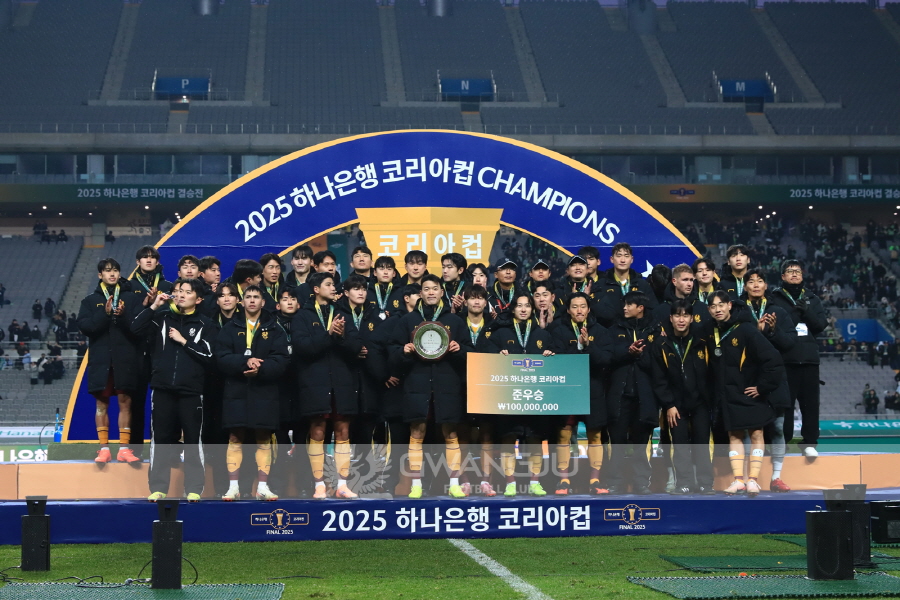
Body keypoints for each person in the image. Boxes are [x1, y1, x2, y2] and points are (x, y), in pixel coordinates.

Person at [131, 278, 215, 502]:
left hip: (191, 391)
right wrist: (154, 306)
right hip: (162, 388)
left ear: (198, 299)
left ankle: (194, 488)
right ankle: (158, 488)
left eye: (187, 292)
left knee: (193, 441)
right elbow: (135, 328)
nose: (181, 294)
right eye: (178, 291)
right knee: (160, 440)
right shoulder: (161, 318)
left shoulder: (206, 324)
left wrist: (184, 341)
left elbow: (209, 356)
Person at [391, 274, 471, 498]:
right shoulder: (408, 320)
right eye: (426, 289)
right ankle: (416, 484)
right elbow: (392, 350)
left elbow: (470, 352)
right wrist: (403, 351)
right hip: (417, 384)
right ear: (420, 294)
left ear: (441, 292)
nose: (431, 292)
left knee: (450, 432)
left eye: (435, 288)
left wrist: (459, 349)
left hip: (447, 384)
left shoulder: (455, 320)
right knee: (417, 431)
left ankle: (454, 483)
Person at [705, 291, 784, 497]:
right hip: (728, 394)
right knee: (734, 435)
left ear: (729, 305)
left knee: (757, 433)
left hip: (751, 393)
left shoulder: (746, 329)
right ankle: (739, 480)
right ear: (709, 310)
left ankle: (753, 481)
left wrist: (762, 387)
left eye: (721, 305)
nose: (718, 309)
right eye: (713, 306)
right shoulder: (710, 331)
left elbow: (773, 359)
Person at [215, 285, 290, 501]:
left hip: (264, 390)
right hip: (236, 390)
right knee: (235, 436)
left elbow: (282, 360)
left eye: (256, 297)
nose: (252, 300)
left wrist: (261, 368)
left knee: (263, 437)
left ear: (263, 302)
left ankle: (263, 487)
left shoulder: (274, 329)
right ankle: (233, 487)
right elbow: (221, 357)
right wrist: (244, 362)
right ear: (242, 301)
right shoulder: (230, 328)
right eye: (248, 296)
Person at [294, 273, 363, 499]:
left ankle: (342, 485)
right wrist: (329, 334)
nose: (334, 288)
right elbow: (303, 347)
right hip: (315, 382)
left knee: (343, 430)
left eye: (334, 284)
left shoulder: (343, 314)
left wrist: (341, 337)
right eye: (329, 284)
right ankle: (319, 485)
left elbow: (356, 347)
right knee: (318, 431)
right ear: (316, 289)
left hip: (342, 382)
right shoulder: (303, 316)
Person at [489, 292, 555, 497]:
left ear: (532, 309)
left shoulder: (543, 335)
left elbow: (557, 361)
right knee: (508, 438)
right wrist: (497, 356)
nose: (524, 309)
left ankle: (535, 482)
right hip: (510, 397)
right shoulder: (501, 334)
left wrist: (551, 355)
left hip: (535, 398)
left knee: (535, 438)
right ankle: (510, 482)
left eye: (527, 305)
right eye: (519, 305)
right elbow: (486, 358)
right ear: (513, 309)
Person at [76, 258, 142, 464]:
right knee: (101, 403)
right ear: (100, 275)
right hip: (101, 360)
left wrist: (123, 316)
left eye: (115, 270)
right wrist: (105, 314)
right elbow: (86, 328)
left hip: (125, 359)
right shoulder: (89, 301)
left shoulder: (130, 298)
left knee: (125, 402)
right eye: (107, 271)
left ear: (119, 273)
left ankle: (124, 449)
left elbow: (138, 328)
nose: (112, 274)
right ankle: (103, 448)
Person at [548, 291, 612, 495]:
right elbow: (557, 360)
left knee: (595, 435)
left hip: (593, 389)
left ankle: (595, 480)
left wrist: (588, 346)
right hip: (567, 391)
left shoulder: (601, 331)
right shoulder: (558, 331)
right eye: (574, 307)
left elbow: (606, 360)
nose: (579, 310)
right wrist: (578, 348)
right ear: (568, 310)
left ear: (589, 309)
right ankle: (563, 480)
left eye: (583, 306)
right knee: (564, 434)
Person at [651, 299, 714, 494]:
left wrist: (709, 400)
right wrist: (669, 404)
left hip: (700, 403)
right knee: (679, 446)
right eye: (677, 315)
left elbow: (711, 372)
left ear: (691, 318)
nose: (681, 320)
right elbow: (658, 378)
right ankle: (684, 483)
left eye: (685, 316)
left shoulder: (702, 342)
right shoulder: (662, 344)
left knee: (702, 444)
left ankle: (705, 483)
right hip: (675, 405)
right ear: (671, 318)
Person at [743, 268, 797, 492]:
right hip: (748, 378)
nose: (756, 285)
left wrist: (774, 331)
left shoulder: (779, 312)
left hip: (775, 378)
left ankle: (776, 477)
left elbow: (790, 343)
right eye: (751, 281)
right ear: (745, 286)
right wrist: (754, 331)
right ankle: (747, 477)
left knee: (777, 428)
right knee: (748, 429)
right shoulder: (738, 311)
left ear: (766, 286)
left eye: (760, 281)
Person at [769, 259, 827, 458]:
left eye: (798, 271)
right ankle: (782, 442)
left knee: (811, 405)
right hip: (786, 359)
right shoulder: (774, 298)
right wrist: (796, 312)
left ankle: (809, 443)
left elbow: (820, 325)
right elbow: (777, 326)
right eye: (790, 271)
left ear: (802, 275)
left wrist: (807, 312)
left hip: (809, 360)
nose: (794, 274)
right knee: (785, 405)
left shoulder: (812, 298)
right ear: (783, 276)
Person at [605, 291, 661, 495]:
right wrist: (628, 352)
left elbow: (658, 361)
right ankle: (615, 482)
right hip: (620, 395)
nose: (625, 308)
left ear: (641, 308)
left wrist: (640, 355)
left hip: (645, 395)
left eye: (629, 305)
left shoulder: (655, 330)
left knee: (641, 443)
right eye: (624, 304)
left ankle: (641, 483)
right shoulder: (614, 329)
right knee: (617, 442)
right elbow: (608, 356)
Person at [461, 284, 497, 496]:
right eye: (472, 298)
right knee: (463, 435)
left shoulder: (495, 325)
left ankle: (486, 481)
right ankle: (464, 480)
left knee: (487, 434)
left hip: (487, 386)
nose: (476, 301)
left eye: (480, 298)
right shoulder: (456, 323)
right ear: (465, 301)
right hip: (461, 385)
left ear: (485, 302)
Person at [595, 243, 657, 328]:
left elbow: (652, 310)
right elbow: (597, 313)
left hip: (638, 331)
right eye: (619, 256)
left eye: (626, 256)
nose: (623, 260)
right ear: (612, 259)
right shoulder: (600, 285)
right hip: (610, 331)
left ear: (632, 259)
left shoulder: (642, 284)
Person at [367, 255, 403, 319]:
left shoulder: (402, 291)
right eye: (381, 269)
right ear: (375, 272)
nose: (385, 272)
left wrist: (392, 316)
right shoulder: (367, 291)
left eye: (389, 269)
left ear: (394, 274)